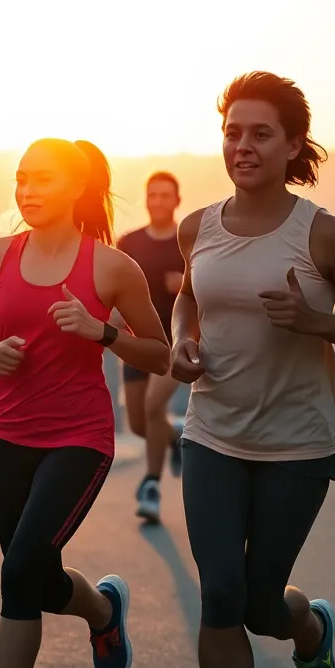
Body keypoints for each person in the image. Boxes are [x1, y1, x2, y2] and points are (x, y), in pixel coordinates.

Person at [170, 72, 335, 668]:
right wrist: (180, 339)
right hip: (211, 432)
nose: (241, 146)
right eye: (232, 133)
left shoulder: (322, 234)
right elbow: (187, 300)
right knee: (220, 595)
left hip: (296, 445)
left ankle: (310, 629)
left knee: (260, 606)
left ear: (293, 144)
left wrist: (316, 322)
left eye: (260, 134)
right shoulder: (196, 227)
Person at [0, 138, 170, 668]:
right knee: (36, 578)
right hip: (6, 435)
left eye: (42, 179)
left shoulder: (111, 266)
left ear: (76, 186)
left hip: (79, 439)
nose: (27, 190)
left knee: (18, 571)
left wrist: (102, 331)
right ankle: (101, 608)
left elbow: (160, 353)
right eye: (21, 179)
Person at [115, 170, 187, 523]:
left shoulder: (188, 242)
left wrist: (187, 284)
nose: (158, 201)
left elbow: (212, 287)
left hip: (177, 341)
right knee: (141, 423)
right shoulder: (129, 243)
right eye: (152, 195)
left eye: (165, 195)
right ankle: (177, 437)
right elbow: (114, 291)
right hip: (137, 342)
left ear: (177, 200)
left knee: (154, 405)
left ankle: (151, 486)